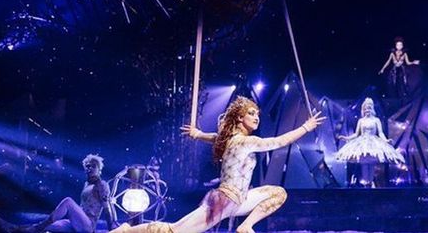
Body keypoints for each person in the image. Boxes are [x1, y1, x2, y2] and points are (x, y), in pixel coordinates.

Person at [111, 96, 325, 233]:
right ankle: (127, 230)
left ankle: (246, 226)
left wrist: (198, 134)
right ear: (239, 118)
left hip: (240, 199)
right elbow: (279, 141)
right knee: (174, 231)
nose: (256, 118)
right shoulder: (245, 142)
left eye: (257, 114)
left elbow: (215, 137)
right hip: (224, 201)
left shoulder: (230, 139)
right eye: (251, 113)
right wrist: (306, 127)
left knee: (277, 193)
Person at [0, 154, 118, 232]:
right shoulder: (87, 184)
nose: (89, 168)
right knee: (47, 226)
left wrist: (111, 229)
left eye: (93, 166)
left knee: (68, 201)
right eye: (87, 166)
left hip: (88, 226)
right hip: (78, 222)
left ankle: (27, 227)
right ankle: (15, 229)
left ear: (99, 169)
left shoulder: (102, 185)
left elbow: (107, 209)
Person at [335, 98, 405, 187]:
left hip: (373, 143)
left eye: (369, 108)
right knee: (364, 162)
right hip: (363, 143)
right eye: (365, 108)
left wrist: (386, 140)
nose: (367, 110)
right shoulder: (361, 121)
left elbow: (380, 133)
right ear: (363, 109)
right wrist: (346, 138)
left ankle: (370, 183)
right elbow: (356, 134)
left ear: (372, 108)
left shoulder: (376, 120)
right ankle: (366, 184)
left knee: (371, 163)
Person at [378, 36, 420, 102]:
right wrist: (382, 69)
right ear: (395, 45)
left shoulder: (404, 54)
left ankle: (404, 96)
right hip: (394, 70)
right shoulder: (392, 53)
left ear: (402, 46)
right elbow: (388, 62)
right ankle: (392, 96)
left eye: (400, 45)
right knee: (392, 82)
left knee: (403, 82)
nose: (399, 46)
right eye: (398, 45)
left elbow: (408, 63)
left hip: (401, 70)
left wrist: (413, 62)